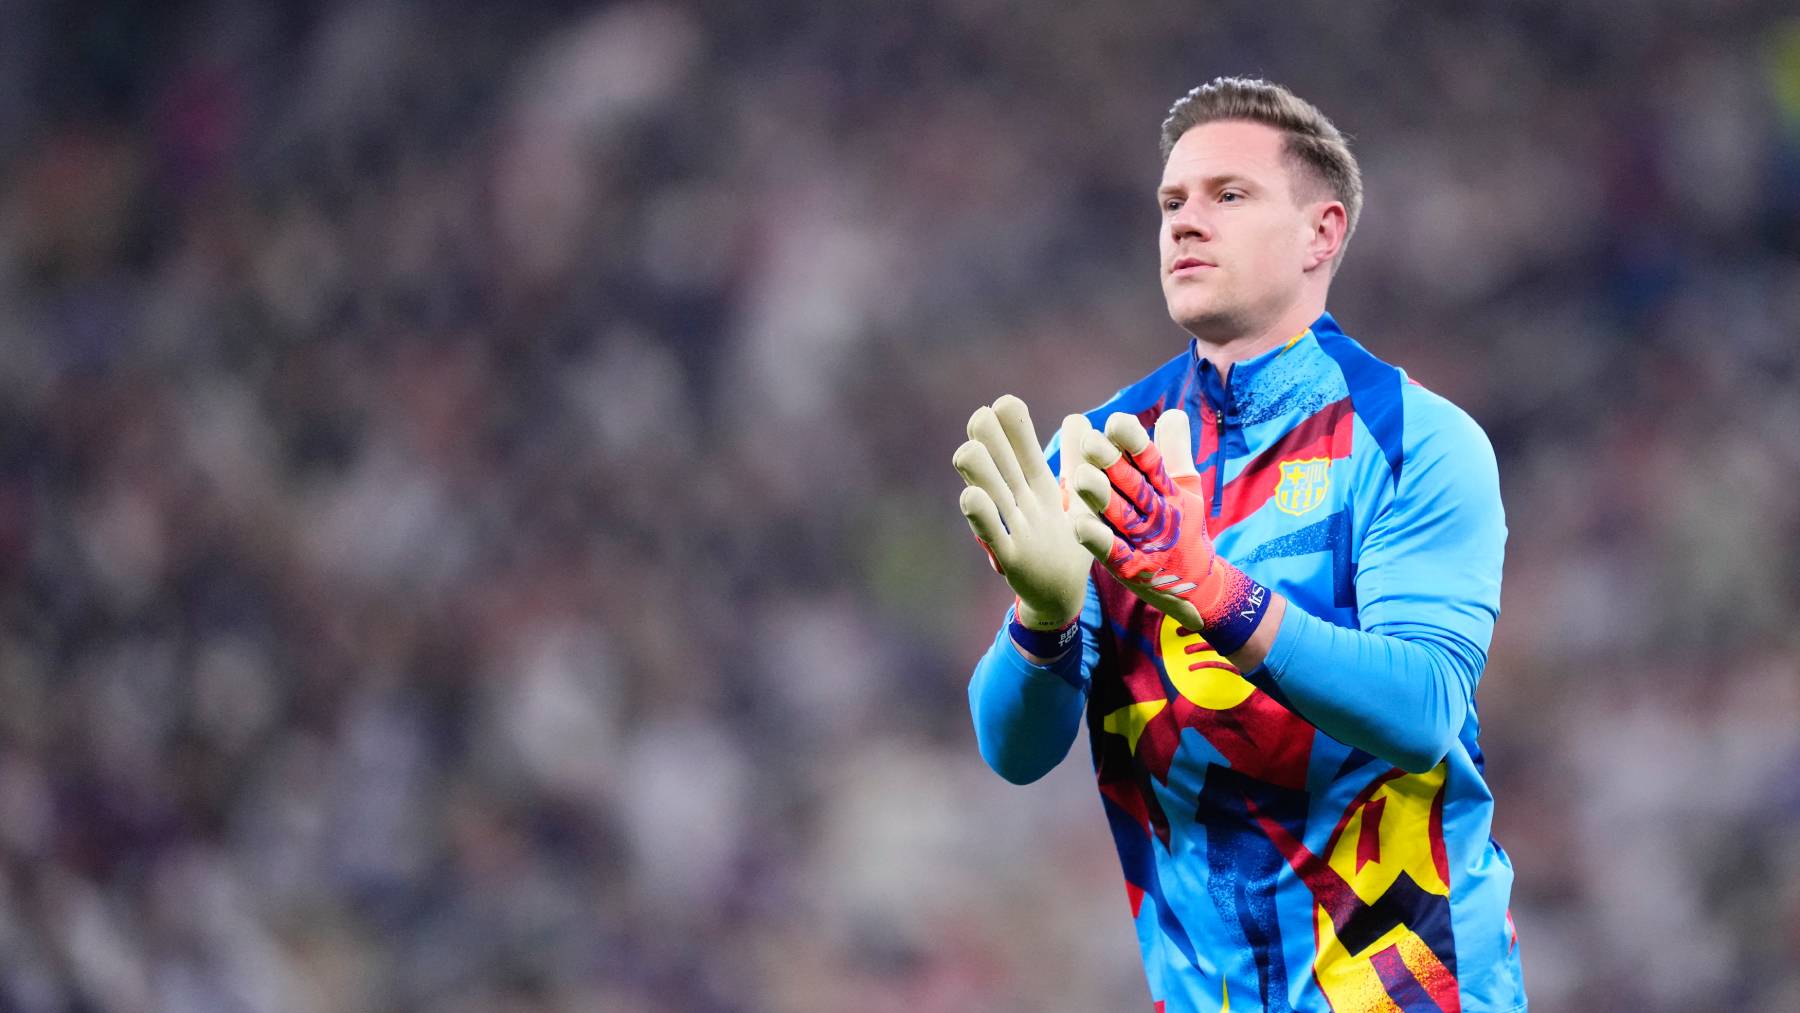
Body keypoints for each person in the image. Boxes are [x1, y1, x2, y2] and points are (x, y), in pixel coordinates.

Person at [952, 77, 1526, 1012]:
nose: (1186, 221)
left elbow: (1423, 707)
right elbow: (1011, 750)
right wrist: (1043, 620)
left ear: (1321, 233)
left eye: (1229, 194)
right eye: (1172, 202)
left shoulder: (1415, 438)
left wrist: (1213, 592)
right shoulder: (1102, 453)